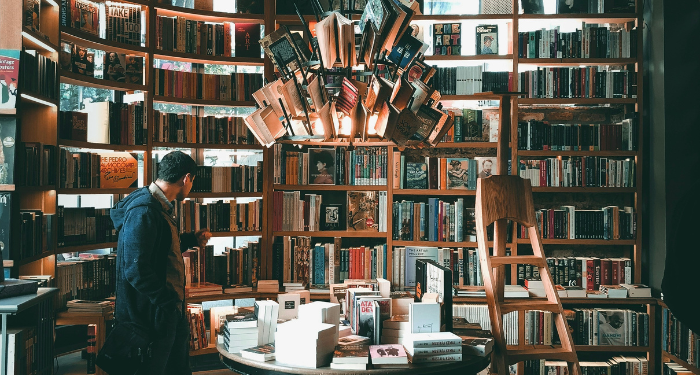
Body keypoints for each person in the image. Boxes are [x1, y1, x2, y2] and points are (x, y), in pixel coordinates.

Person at [111, 151, 211, 375]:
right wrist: (166, 303)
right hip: (153, 315)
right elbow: (135, 269)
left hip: (165, 309)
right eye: (192, 181)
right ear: (186, 178)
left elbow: (159, 250)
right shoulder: (144, 211)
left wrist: (191, 239)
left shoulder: (158, 207)